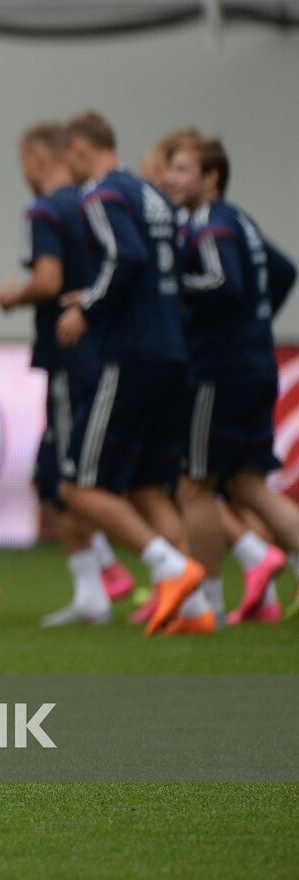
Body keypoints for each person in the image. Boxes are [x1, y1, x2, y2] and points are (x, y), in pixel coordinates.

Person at [53, 110, 205, 636]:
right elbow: (170, 265)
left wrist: (87, 309)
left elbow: (126, 257)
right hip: (171, 352)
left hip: (132, 356)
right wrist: (98, 296)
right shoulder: (154, 196)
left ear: (78, 150)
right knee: (146, 486)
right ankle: (195, 609)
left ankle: (171, 568)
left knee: (77, 486)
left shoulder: (98, 194)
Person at [0, 122, 136, 626]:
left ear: (38, 157)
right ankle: (104, 576)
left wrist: (13, 296)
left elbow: (49, 280)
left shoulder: (44, 210)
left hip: (70, 355)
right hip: (110, 352)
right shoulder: (94, 204)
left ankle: (107, 578)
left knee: (58, 475)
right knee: (82, 473)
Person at [166, 137, 298, 629]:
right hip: (255, 363)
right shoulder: (239, 219)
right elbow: (283, 272)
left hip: (218, 373)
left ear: (211, 178)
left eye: (181, 170)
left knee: (194, 486)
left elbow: (224, 284)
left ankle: (208, 605)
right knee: (246, 485)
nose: (171, 178)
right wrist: (252, 323)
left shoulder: (209, 226)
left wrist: (172, 288)